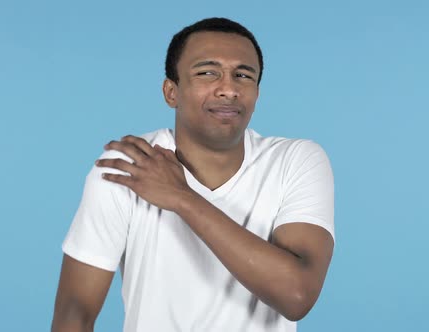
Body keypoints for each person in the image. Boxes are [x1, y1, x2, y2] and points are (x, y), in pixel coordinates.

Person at [51, 17, 334, 332]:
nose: (228, 88)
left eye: (243, 75)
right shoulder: (130, 166)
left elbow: (297, 295)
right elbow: (75, 311)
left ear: (256, 93)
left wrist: (182, 198)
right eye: (207, 72)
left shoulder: (296, 160)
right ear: (171, 92)